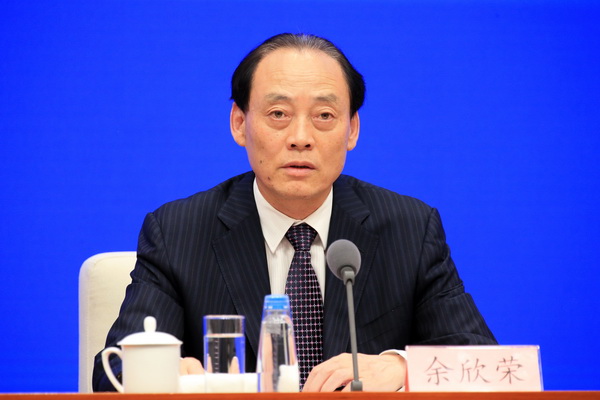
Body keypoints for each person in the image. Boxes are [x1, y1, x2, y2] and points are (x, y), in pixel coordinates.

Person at [93, 33, 496, 392]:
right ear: (239, 123)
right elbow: (110, 374)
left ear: (352, 129)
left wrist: (400, 367)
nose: (301, 138)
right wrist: (161, 373)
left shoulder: (410, 229)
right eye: (278, 114)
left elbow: (485, 363)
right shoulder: (177, 232)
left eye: (324, 116)